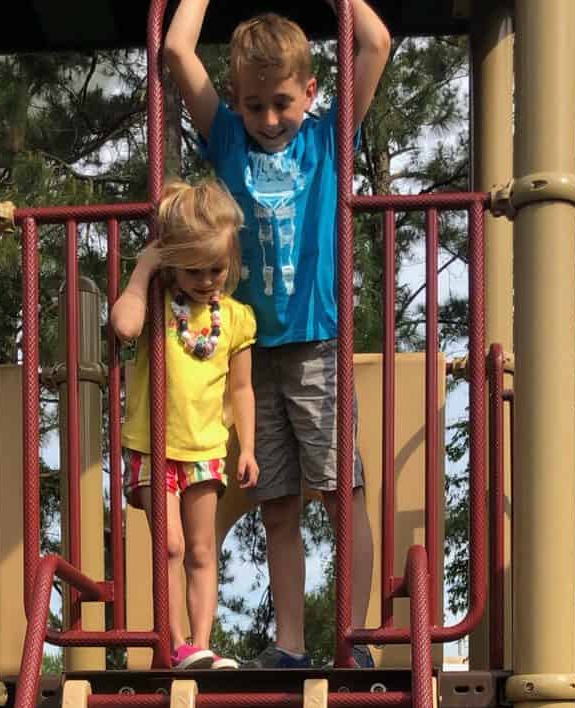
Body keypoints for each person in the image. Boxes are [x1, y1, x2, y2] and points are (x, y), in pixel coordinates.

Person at [164, 2, 392, 669]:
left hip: (317, 340)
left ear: (312, 93)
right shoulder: (228, 138)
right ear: (235, 100)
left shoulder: (327, 138)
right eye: (255, 104)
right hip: (247, 353)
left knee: (339, 493)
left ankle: (352, 639)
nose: (268, 119)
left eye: (282, 103)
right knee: (278, 505)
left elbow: (374, 41)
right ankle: (291, 644)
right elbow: (179, 51)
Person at [112, 180, 259, 670]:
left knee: (200, 549)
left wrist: (247, 448)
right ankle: (175, 646)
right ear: (171, 262)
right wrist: (143, 269)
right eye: (193, 269)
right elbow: (124, 327)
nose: (206, 279)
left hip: (206, 447)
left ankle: (199, 643)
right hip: (153, 448)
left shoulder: (235, 319)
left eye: (216, 268)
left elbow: (241, 389)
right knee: (170, 545)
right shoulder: (156, 305)